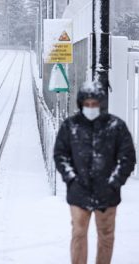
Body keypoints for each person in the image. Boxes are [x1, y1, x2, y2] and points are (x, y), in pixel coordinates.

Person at [54, 81, 136, 264]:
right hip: (78, 193)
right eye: (87, 104)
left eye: (94, 104)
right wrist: (71, 179)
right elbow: (60, 155)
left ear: (102, 104)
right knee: (78, 234)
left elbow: (127, 158)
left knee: (106, 237)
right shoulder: (70, 126)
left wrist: (114, 182)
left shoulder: (116, 126)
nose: (91, 108)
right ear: (81, 104)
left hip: (108, 194)